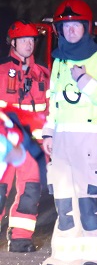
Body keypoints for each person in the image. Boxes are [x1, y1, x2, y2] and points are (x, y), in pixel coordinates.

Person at [39, 0, 97, 265]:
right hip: (62, 141)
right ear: (60, 30)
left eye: (76, 26)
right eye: (66, 26)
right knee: (65, 203)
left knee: (90, 204)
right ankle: (66, 257)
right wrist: (49, 132)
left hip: (90, 139)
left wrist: (85, 80)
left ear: (86, 28)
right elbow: (54, 101)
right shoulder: (60, 60)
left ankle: (96, 260)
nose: (71, 31)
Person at [0, 21, 50, 252]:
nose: (29, 44)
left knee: (30, 191)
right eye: (24, 40)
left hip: (33, 145)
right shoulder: (1, 73)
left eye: (32, 40)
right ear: (13, 43)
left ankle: (20, 237)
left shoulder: (43, 75)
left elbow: (51, 110)